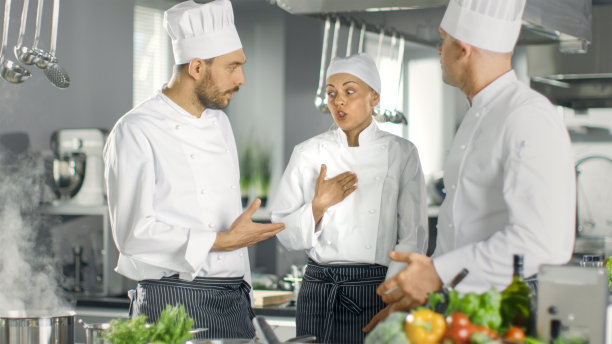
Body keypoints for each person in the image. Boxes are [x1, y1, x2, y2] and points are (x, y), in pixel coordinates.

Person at [364, 0, 576, 332]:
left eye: (443, 39)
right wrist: (429, 292)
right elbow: (463, 229)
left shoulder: (528, 116)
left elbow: (542, 242)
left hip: (508, 312)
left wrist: (437, 273)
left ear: (463, 50)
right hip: (465, 309)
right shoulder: (480, 113)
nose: (439, 50)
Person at [103, 0, 285, 339]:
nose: (242, 78)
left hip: (234, 299)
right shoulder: (136, 129)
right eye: (233, 67)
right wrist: (222, 241)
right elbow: (133, 235)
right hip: (173, 301)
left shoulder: (220, 124)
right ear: (197, 67)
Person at [269, 53, 428, 344]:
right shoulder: (308, 152)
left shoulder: (401, 152)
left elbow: (412, 236)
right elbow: (283, 229)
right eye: (331, 94)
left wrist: (393, 293)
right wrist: (318, 206)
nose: (338, 101)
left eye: (349, 91)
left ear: (374, 97)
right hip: (318, 288)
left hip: (375, 289)